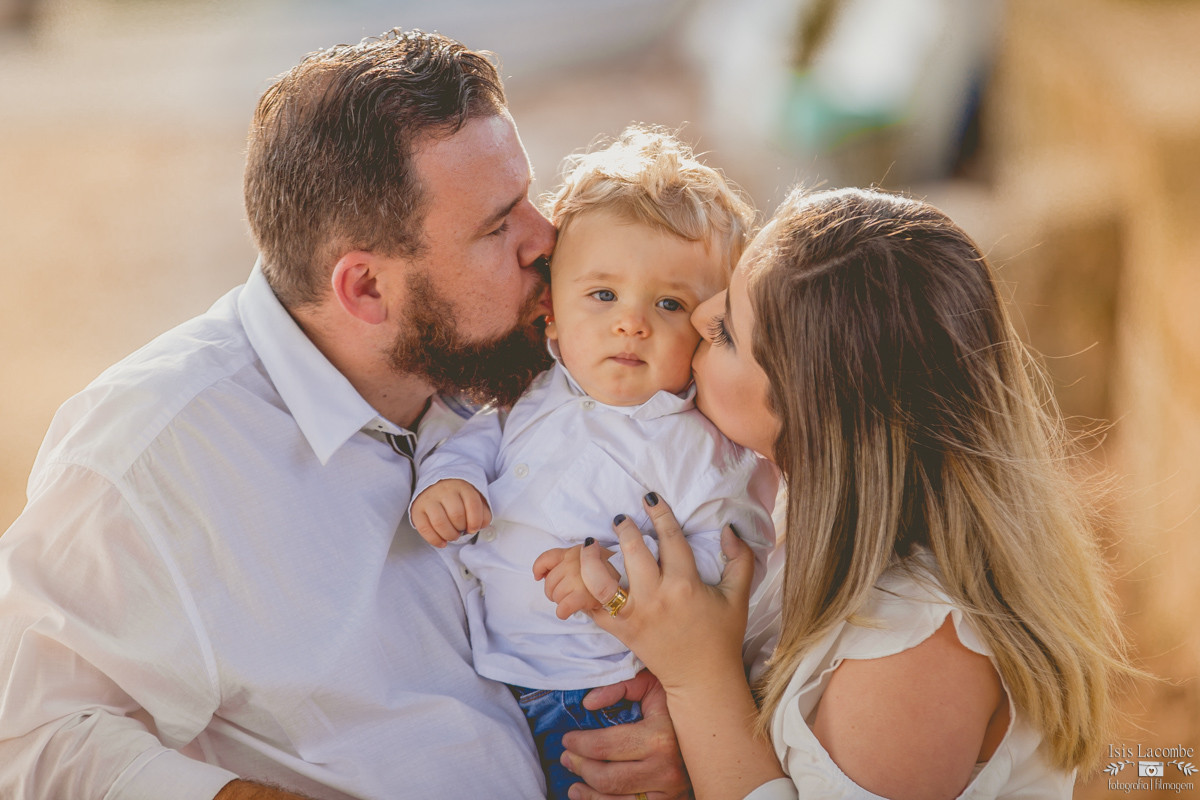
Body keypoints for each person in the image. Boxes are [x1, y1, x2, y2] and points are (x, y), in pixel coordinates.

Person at [0, 29, 689, 800]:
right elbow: (29, 741)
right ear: (364, 289)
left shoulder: (544, 354)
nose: (547, 240)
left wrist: (686, 733)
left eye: (529, 197)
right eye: (497, 227)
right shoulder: (152, 454)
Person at [556, 187, 1132, 799]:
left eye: (727, 333)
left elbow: (715, 693)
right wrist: (695, 746)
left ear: (807, 410)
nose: (700, 315)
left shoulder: (918, 648)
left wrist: (697, 681)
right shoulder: (794, 514)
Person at [408, 126, 779, 799]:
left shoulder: (697, 446)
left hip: (605, 696)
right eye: (603, 295)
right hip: (496, 680)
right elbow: (476, 436)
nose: (631, 323)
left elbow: (736, 563)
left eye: (669, 304)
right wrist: (449, 479)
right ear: (550, 311)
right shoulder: (533, 390)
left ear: (708, 328)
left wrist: (618, 577)